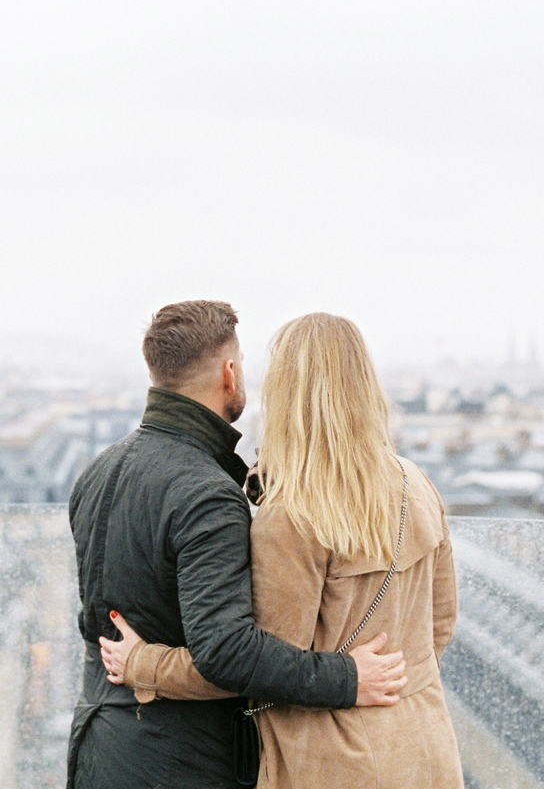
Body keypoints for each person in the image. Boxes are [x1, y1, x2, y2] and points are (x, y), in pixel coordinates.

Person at [100, 312, 464, 789]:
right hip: (426, 747)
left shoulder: (294, 515)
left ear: (286, 393)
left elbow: (253, 665)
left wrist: (142, 664)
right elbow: (441, 624)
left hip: (336, 763)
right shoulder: (415, 483)